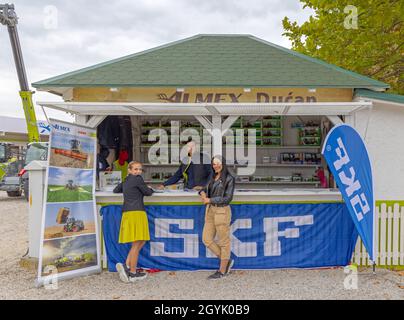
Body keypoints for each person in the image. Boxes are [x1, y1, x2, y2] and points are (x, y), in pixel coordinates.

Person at [113, 161, 154, 282]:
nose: (138, 171)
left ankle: (126, 265)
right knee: (136, 244)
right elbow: (148, 192)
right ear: (130, 170)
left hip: (127, 214)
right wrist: (150, 189)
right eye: (135, 169)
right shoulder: (138, 179)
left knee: (141, 241)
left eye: (140, 169)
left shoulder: (127, 180)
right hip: (137, 213)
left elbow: (116, 190)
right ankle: (132, 273)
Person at [199, 155, 235, 279]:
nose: (216, 166)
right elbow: (204, 188)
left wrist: (209, 199)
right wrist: (203, 193)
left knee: (223, 241)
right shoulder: (212, 177)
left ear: (223, 163)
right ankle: (226, 261)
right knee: (206, 239)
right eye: (214, 164)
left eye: (218, 163)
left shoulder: (229, 178)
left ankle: (222, 270)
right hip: (210, 210)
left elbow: (227, 198)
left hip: (222, 210)